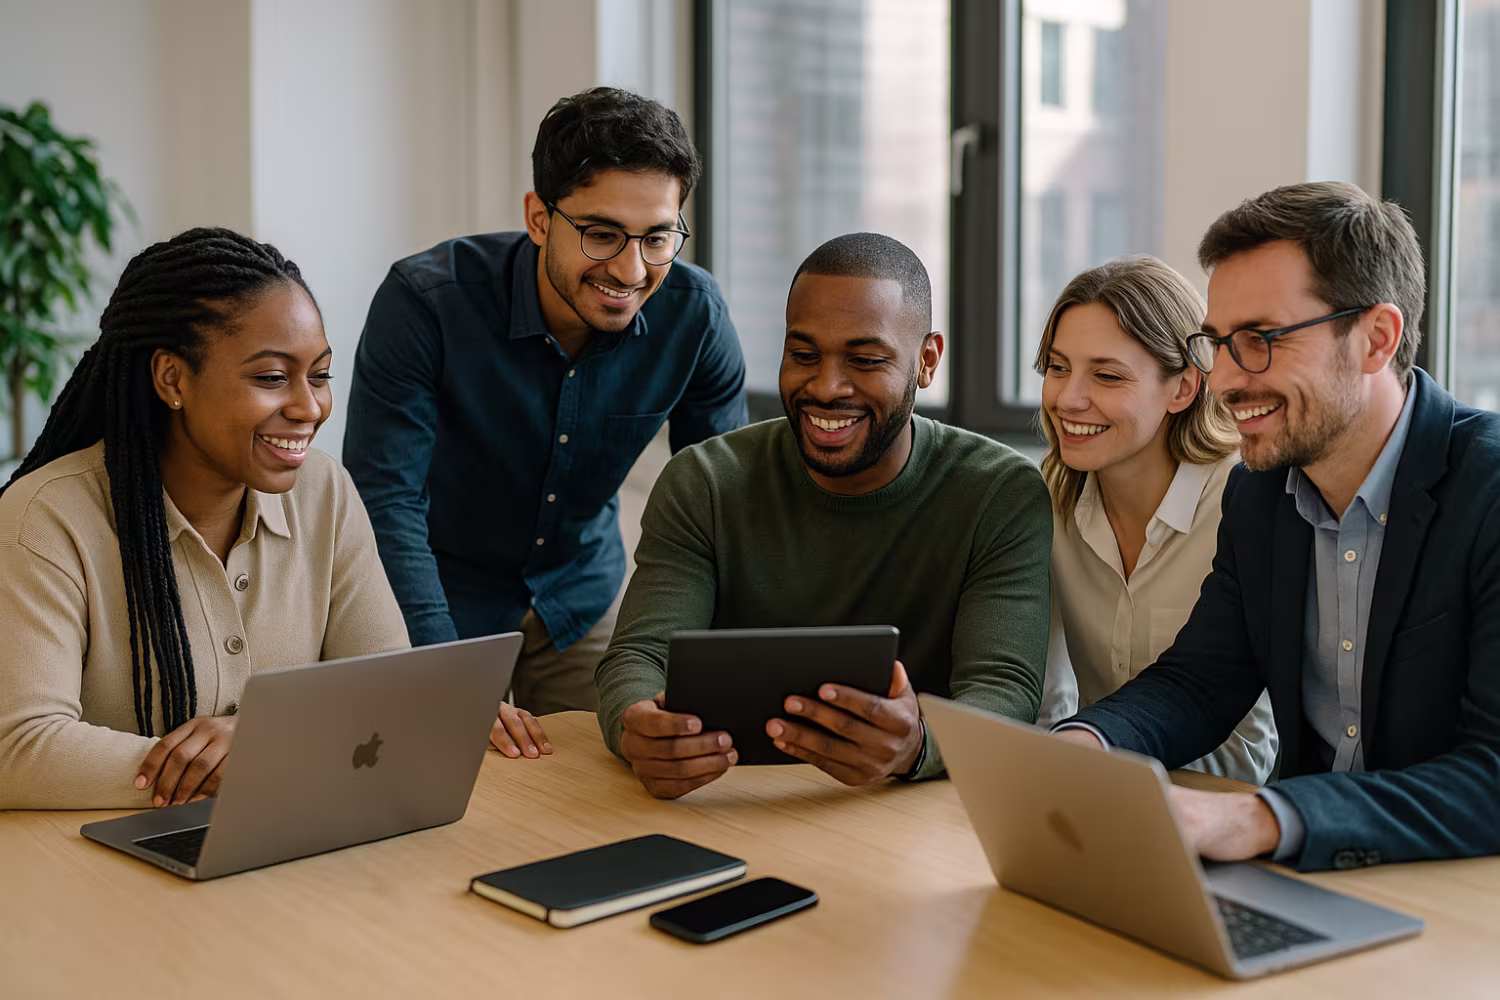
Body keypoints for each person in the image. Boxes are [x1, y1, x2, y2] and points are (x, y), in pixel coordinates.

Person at [1053, 181, 1500, 871]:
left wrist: (1266, 815)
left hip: (1457, 895)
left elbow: (1492, 771)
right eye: (1218, 343)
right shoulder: (1260, 498)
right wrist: (1084, 745)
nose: (1228, 380)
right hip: (1311, 882)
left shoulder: (1488, 490)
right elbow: (1199, 682)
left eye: (1260, 340)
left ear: (1376, 338)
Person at [344, 87, 746, 759]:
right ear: (538, 218)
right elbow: (386, 503)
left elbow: (721, 509)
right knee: (439, 788)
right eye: (601, 234)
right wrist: (445, 676)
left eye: (657, 237)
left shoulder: (695, 315)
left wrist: (699, 665)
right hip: (442, 603)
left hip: (581, 595)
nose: (630, 268)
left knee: (629, 775)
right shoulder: (424, 302)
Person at [596, 232, 1051, 799]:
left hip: (915, 810)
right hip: (729, 801)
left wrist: (919, 745)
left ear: (926, 361)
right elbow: (639, 656)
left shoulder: (999, 491)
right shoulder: (706, 481)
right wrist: (635, 725)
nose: (826, 386)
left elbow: (1004, 689)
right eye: (803, 355)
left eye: (864, 360)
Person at [0, 228, 412, 810]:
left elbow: (391, 691)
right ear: (173, 378)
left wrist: (270, 747)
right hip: (93, 870)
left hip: (285, 834)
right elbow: (18, 750)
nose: (309, 406)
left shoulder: (325, 489)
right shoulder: (45, 517)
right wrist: (253, 761)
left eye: (319, 375)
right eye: (272, 377)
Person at [1034, 255, 1277, 784]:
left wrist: (1097, 759)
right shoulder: (1045, 502)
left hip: (1229, 804)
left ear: (1184, 388)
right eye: (1057, 367)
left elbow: (1252, 753)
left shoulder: (1248, 502)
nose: (1068, 399)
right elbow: (1047, 704)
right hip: (1094, 790)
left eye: (1106, 375)